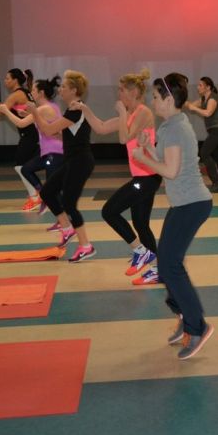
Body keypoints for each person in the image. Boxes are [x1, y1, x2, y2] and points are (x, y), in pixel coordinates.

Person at [132, 73, 214, 360]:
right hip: (183, 204)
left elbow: (170, 170)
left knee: (171, 265)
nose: (152, 101)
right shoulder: (170, 125)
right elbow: (165, 160)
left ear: (168, 99)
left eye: (155, 96)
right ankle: (184, 316)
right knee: (166, 265)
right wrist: (146, 147)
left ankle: (197, 327)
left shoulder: (176, 128)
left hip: (192, 204)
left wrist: (142, 158)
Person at [73, 69, 162, 284]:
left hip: (147, 177)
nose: (119, 93)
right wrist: (85, 109)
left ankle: (140, 251)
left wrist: (122, 113)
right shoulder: (130, 115)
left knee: (109, 211)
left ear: (133, 92)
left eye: (121, 90)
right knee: (141, 224)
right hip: (144, 177)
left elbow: (124, 138)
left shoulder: (143, 112)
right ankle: (160, 269)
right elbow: (102, 127)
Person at [29, 70, 96, 263]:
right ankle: (67, 229)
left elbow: (48, 129)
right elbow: (61, 135)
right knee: (47, 192)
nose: (60, 89)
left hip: (80, 162)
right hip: (72, 161)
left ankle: (86, 246)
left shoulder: (76, 110)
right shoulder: (72, 110)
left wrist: (35, 112)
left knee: (69, 203)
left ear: (74, 90)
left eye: (64, 87)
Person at [0, 77, 64, 212]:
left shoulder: (43, 109)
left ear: (41, 93)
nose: (31, 92)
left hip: (54, 153)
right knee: (26, 169)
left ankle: (64, 218)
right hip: (49, 152)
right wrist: (28, 113)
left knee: (54, 190)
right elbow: (42, 120)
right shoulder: (51, 107)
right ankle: (43, 196)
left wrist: (6, 111)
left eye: (33, 90)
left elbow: (21, 123)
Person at [0, 68, 38, 210]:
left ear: (15, 80)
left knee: (20, 166)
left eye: (7, 78)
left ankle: (35, 197)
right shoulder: (25, 92)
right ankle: (38, 194)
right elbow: (12, 108)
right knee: (25, 166)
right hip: (33, 133)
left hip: (30, 134)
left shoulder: (16, 94)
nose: (5, 81)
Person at [187, 76, 218, 192]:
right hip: (217, 130)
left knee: (204, 153)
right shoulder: (203, 99)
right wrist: (178, 99)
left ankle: (216, 180)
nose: (198, 87)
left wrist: (194, 108)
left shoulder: (213, 98)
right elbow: (190, 106)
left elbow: (208, 113)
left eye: (200, 85)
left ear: (208, 87)